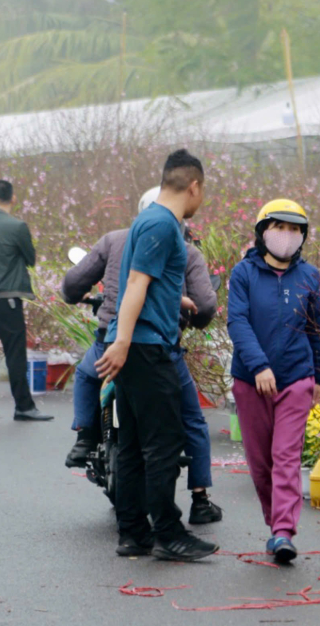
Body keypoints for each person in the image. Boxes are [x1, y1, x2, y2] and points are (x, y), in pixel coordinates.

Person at [61, 186, 223, 525]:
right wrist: (195, 317)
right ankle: (199, 499)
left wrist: (75, 295)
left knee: (88, 374)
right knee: (189, 420)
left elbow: (75, 283)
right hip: (158, 348)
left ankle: (84, 436)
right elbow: (206, 304)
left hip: (111, 340)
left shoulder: (115, 240)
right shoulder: (187, 250)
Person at [94, 149, 218, 561]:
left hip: (139, 343)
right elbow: (134, 282)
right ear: (193, 186)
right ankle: (168, 532)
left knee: (131, 445)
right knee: (164, 444)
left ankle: (133, 534)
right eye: (204, 192)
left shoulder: (147, 221)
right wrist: (123, 342)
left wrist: (176, 301)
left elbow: (152, 283)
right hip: (146, 348)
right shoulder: (164, 224)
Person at [227, 198, 320, 564]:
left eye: (295, 229)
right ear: (262, 232)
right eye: (279, 228)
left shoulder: (310, 277)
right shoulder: (243, 274)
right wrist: (258, 366)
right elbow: (237, 322)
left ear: (303, 236)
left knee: (286, 456)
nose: (287, 236)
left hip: (296, 379)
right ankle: (276, 524)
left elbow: (319, 330)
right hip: (250, 382)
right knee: (260, 462)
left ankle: (283, 532)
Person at [0, 180, 53, 422]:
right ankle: (23, 407)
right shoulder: (17, 227)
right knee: (14, 352)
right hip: (7, 297)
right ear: (13, 199)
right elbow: (30, 259)